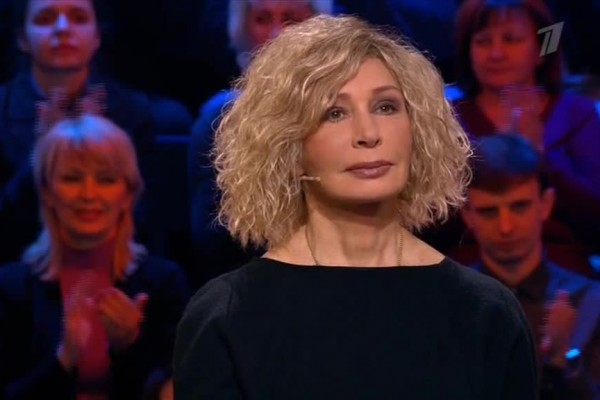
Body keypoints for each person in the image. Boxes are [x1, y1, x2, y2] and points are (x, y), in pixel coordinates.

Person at [174, 15, 538, 399]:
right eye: (335, 113)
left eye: (386, 107)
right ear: (289, 147)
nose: (368, 134)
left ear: (416, 131)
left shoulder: (485, 312)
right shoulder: (227, 317)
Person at [0, 113, 190, 399]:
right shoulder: (11, 287)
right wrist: (64, 359)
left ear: (128, 194)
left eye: (106, 179)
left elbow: (177, 389)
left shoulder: (164, 283)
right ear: (47, 191)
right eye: (72, 178)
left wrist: (131, 345)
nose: (89, 194)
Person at [0, 0, 192, 266]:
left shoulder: (131, 112)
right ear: (22, 38)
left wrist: (103, 152)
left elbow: (145, 218)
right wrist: (41, 155)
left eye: (78, 18)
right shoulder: (4, 109)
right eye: (45, 19)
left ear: (97, 36)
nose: (62, 28)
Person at [188, 0, 333, 288]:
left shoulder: (347, 110)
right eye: (262, 19)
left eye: (291, 19)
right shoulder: (220, 120)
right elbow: (211, 240)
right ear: (244, 28)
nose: (277, 34)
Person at [450, 0, 600, 270]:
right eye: (483, 41)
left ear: (542, 51)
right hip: (467, 271)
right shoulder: (448, 120)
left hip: (562, 272)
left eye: (511, 39)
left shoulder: (576, 114)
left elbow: (595, 222)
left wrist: (541, 156)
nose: (496, 53)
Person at [460, 134, 600, 399]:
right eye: (489, 211)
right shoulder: (449, 302)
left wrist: (563, 361)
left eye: (519, 207)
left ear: (545, 204)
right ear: (467, 215)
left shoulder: (591, 304)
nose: (505, 227)